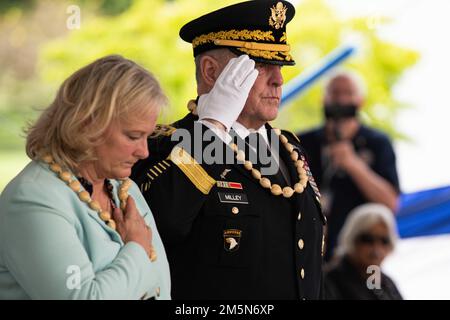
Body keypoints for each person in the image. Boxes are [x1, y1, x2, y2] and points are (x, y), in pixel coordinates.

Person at [131, 0, 325, 300]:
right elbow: (161, 223)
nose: (279, 79)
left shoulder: (290, 149)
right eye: (260, 65)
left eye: (280, 65)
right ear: (211, 71)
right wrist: (212, 128)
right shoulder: (164, 144)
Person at [0, 55, 171, 299]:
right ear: (88, 124)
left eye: (147, 137)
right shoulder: (32, 198)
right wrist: (137, 248)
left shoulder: (123, 188)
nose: (144, 152)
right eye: (133, 136)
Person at [297, 70, 400, 261]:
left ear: (361, 100)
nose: (341, 100)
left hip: (363, 257)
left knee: (373, 287)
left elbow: (390, 204)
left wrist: (353, 164)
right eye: (335, 93)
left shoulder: (378, 143)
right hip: (310, 251)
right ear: (323, 99)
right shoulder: (301, 142)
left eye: (348, 93)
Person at [324, 203, 403, 300]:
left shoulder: (385, 282)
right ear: (352, 239)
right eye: (368, 239)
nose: (376, 248)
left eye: (384, 241)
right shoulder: (329, 281)